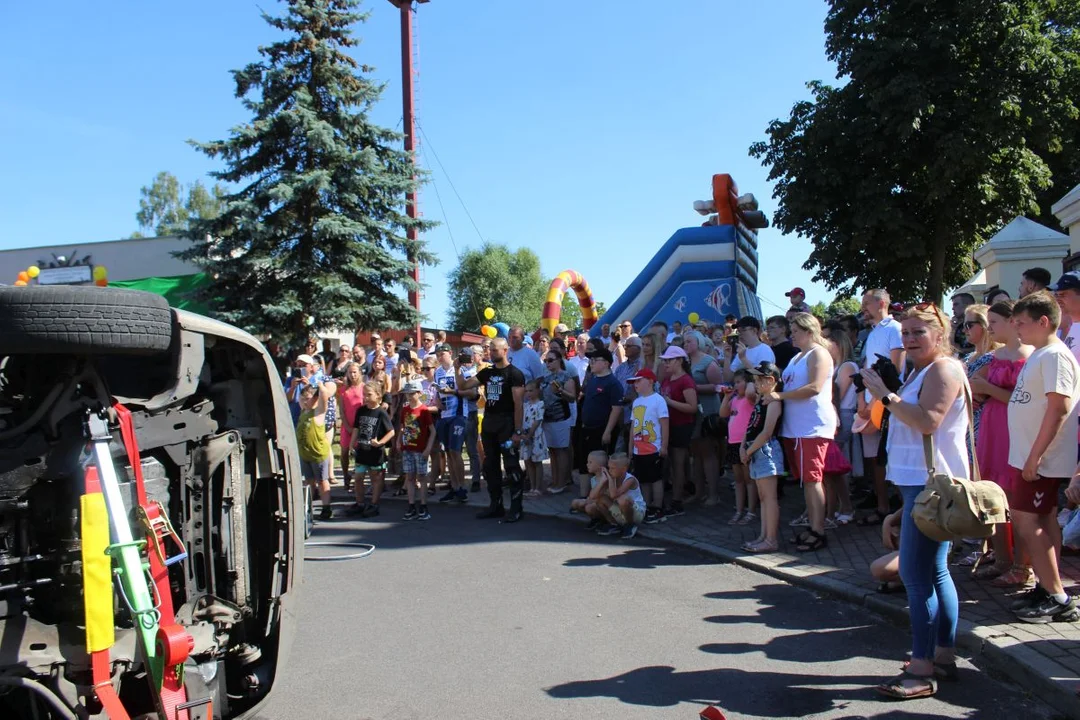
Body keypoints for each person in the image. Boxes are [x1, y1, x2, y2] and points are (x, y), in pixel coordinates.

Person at [862, 303, 965, 700]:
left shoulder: (943, 369)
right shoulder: (923, 370)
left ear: (940, 334)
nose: (908, 339)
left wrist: (883, 395)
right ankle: (942, 655)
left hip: (930, 484)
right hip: (921, 484)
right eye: (905, 332)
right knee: (935, 572)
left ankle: (923, 668)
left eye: (918, 332)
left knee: (918, 577)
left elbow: (927, 421)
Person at [1006, 292, 1080, 622]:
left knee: (1026, 520)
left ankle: (1059, 598)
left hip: (1041, 459)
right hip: (1029, 457)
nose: (1016, 329)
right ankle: (1048, 585)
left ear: (1043, 321)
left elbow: (1060, 407)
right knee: (1045, 518)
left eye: (1021, 323)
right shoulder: (1041, 354)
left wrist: (1035, 456)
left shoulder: (1054, 356)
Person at [969, 299, 1030, 582]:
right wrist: (982, 389)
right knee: (993, 497)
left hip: (1014, 428)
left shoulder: (1030, 355)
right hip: (992, 429)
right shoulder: (994, 357)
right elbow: (974, 389)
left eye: (994, 322)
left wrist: (988, 389)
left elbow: (1023, 402)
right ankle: (1002, 559)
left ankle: (1022, 565)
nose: (989, 328)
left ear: (1012, 322)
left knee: (1016, 500)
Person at [765, 313, 836, 552]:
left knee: (813, 479)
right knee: (806, 480)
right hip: (795, 427)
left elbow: (815, 387)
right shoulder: (797, 357)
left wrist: (780, 396)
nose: (792, 335)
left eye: (795, 331)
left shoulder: (819, 353)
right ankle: (812, 526)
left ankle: (819, 530)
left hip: (811, 426)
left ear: (808, 331)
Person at [456, 338, 527, 522]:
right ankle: (496, 506)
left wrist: (518, 431)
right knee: (490, 466)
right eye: (491, 350)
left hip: (507, 423)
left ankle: (516, 508)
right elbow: (463, 386)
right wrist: (457, 368)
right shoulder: (486, 372)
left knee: (511, 466)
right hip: (489, 423)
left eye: (495, 350)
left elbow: (519, 405)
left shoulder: (514, 374)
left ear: (505, 350)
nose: (491, 353)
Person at [857, 289, 905, 526]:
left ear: (881, 303)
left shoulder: (894, 329)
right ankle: (883, 506)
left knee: (889, 456)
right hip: (870, 402)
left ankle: (899, 510)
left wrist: (877, 400)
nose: (863, 308)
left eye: (866, 303)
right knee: (874, 458)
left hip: (886, 402)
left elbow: (895, 369)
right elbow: (867, 368)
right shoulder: (872, 333)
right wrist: (863, 401)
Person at [741, 362, 785, 553]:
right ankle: (763, 536)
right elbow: (751, 425)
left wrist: (749, 451)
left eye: (759, 379)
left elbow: (767, 432)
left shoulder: (774, 402)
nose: (755, 383)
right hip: (753, 448)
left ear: (771, 380)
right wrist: (744, 445)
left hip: (765, 449)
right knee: (762, 497)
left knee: (769, 497)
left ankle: (771, 539)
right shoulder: (761, 400)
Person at [685, 331, 725, 505]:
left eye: (689, 341)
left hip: (707, 412)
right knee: (696, 454)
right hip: (692, 413)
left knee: (708, 453)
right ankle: (699, 492)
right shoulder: (685, 362)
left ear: (699, 342)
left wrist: (693, 388)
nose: (686, 344)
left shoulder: (708, 361)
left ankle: (713, 494)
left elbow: (718, 386)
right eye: (684, 341)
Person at [576, 347, 624, 487]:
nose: (591, 363)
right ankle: (585, 496)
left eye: (595, 360)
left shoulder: (613, 383)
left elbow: (616, 409)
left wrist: (608, 431)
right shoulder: (593, 380)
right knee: (585, 462)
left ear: (606, 363)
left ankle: (602, 495)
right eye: (591, 360)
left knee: (601, 464)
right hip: (587, 428)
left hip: (601, 429)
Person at [346, 381, 395, 518]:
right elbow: (356, 428)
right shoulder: (361, 410)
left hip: (375, 452)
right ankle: (360, 503)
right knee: (358, 478)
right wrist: (351, 443)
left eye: (369, 395)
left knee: (376, 478)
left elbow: (391, 432)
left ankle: (374, 504)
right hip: (362, 450)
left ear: (378, 395)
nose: (365, 398)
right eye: (364, 395)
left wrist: (380, 442)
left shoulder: (381, 413)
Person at [660, 346, 698, 516]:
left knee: (678, 463)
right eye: (665, 360)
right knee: (670, 463)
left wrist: (668, 402)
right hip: (668, 425)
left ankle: (677, 501)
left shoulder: (686, 381)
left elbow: (692, 407)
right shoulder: (668, 379)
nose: (665, 363)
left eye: (669, 360)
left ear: (679, 361)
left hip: (681, 425)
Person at [628, 368, 668, 524]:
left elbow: (665, 424)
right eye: (634, 382)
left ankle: (658, 508)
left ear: (650, 381)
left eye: (638, 380)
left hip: (654, 447)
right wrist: (631, 446)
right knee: (643, 479)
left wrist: (664, 446)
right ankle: (646, 505)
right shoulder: (636, 402)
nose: (635, 384)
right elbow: (633, 426)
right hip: (639, 448)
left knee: (655, 478)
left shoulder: (658, 400)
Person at [295, 377, 338, 521]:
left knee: (322, 481)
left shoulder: (319, 412)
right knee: (309, 482)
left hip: (318, 454)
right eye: (303, 399)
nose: (305, 401)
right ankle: (308, 507)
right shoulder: (303, 412)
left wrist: (320, 385)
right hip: (305, 454)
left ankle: (326, 508)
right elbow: (301, 399)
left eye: (308, 399)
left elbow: (324, 397)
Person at [433, 344, 470, 504]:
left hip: (459, 414)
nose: (440, 357)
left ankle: (462, 487)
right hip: (444, 414)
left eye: (442, 354)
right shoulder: (437, 372)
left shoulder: (460, 369)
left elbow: (472, 392)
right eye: (438, 355)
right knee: (448, 452)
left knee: (456, 451)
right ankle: (454, 487)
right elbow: (437, 393)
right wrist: (437, 401)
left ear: (450, 352)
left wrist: (453, 392)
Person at [396, 379, 437, 521]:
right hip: (407, 447)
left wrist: (428, 448)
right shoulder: (405, 410)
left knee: (422, 477)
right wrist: (398, 440)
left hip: (420, 449)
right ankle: (411, 504)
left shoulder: (424, 410)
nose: (409, 396)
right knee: (410, 477)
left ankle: (423, 505)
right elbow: (402, 426)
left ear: (419, 393)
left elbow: (432, 431)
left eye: (412, 393)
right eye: (407, 393)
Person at [720, 370, 756, 525]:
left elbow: (750, 392)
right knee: (739, 479)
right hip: (733, 443)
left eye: (739, 382)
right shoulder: (734, 399)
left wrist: (748, 383)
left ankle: (751, 511)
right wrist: (727, 397)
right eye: (735, 382)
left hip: (745, 443)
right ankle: (739, 510)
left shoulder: (749, 399)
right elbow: (722, 413)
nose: (736, 385)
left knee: (749, 479)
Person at [539, 349, 577, 493]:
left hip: (560, 418)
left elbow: (572, 397)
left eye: (550, 360)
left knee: (561, 451)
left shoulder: (566, 376)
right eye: (546, 360)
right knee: (553, 451)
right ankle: (555, 481)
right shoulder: (546, 377)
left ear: (559, 360)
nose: (547, 363)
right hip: (547, 419)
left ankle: (562, 482)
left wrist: (560, 390)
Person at [961, 304, 1000, 440]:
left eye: (969, 325)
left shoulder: (993, 357)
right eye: (963, 325)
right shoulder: (968, 357)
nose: (964, 330)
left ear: (984, 324)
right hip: (964, 425)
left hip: (981, 427)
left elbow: (973, 392)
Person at [598, 453, 647, 539]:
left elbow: (614, 495)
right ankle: (614, 524)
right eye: (609, 467)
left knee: (622, 499)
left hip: (636, 513)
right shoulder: (613, 477)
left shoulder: (630, 479)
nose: (609, 471)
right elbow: (593, 496)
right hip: (621, 511)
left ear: (623, 469)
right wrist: (602, 481)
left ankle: (630, 525)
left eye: (613, 468)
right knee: (600, 498)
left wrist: (611, 479)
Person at [338, 361, 366, 487]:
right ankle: (345, 476)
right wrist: (347, 427)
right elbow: (342, 410)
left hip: (360, 426)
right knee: (344, 452)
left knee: (359, 453)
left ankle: (359, 479)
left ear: (360, 373)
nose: (352, 375)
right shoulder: (344, 390)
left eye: (355, 372)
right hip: (347, 426)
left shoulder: (365, 388)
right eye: (350, 372)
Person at [571, 450, 612, 530]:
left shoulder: (606, 479)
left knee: (589, 507)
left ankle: (602, 520)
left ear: (599, 466)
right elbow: (591, 495)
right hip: (594, 501)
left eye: (590, 462)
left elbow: (602, 496)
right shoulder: (593, 479)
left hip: (603, 504)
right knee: (575, 503)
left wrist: (589, 501)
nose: (587, 465)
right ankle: (596, 518)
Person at [521, 379, 548, 496]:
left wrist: (529, 435)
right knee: (528, 461)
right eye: (526, 391)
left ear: (537, 390)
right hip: (525, 435)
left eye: (531, 390)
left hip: (535, 436)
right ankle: (532, 487)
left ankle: (538, 488)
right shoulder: (525, 405)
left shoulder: (540, 404)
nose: (528, 393)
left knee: (537, 461)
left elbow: (537, 421)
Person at [950, 292, 976, 356]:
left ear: (967, 306)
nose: (952, 308)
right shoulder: (956, 325)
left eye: (956, 304)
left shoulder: (977, 325)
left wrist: (959, 349)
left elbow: (981, 348)